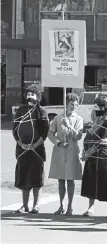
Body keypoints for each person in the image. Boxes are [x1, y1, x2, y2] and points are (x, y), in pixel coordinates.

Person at [12, 85, 49, 213]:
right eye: (28, 94)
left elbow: (45, 133)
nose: (30, 97)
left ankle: (36, 205)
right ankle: (24, 205)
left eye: (33, 94)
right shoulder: (20, 111)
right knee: (24, 177)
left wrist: (34, 145)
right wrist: (21, 144)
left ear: (38, 97)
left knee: (36, 178)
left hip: (36, 150)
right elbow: (15, 130)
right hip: (22, 149)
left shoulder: (42, 112)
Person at [48, 93, 83, 216]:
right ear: (66, 104)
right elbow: (50, 134)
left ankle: (70, 206)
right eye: (71, 104)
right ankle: (61, 205)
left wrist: (69, 126)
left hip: (72, 151)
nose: (73, 106)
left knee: (70, 180)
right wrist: (58, 142)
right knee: (61, 180)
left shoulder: (78, 119)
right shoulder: (58, 118)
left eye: (75, 104)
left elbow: (78, 136)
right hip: (59, 152)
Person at [81, 95, 107, 218]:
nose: (95, 108)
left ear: (104, 107)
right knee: (90, 179)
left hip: (100, 153)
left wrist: (88, 153)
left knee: (103, 179)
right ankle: (90, 207)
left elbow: (101, 139)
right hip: (89, 152)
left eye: (98, 105)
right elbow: (89, 136)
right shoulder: (97, 119)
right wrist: (84, 151)